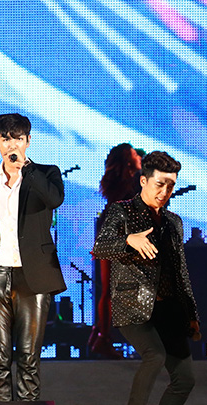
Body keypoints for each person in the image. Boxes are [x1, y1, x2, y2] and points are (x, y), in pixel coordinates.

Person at [92, 151, 199, 405]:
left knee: (185, 378)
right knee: (154, 356)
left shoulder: (173, 222)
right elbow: (100, 247)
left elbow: (181, 272)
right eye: (159, 184)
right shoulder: (122, 211)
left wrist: (191, 314)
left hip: (168, 309)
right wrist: (129, 240)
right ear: (143, 181)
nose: (165, 192)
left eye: (170, 186)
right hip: (133, 305)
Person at [0, 113, 66, 402]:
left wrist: (26, 170)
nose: (12, 145)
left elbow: (55, 200)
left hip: (33, 279)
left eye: (18, 138)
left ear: (28, 141)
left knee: (29, 359)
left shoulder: (46, 174)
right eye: (6, 139)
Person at [88, 142, 144, 359]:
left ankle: (100, 335)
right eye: (134, 154)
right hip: (119, 235)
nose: (139, 156)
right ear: (128, 161)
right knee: (114, 290)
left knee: (109, 290)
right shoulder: (132, 182)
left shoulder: (121, 182)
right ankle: (102, 337)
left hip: (111, 232)